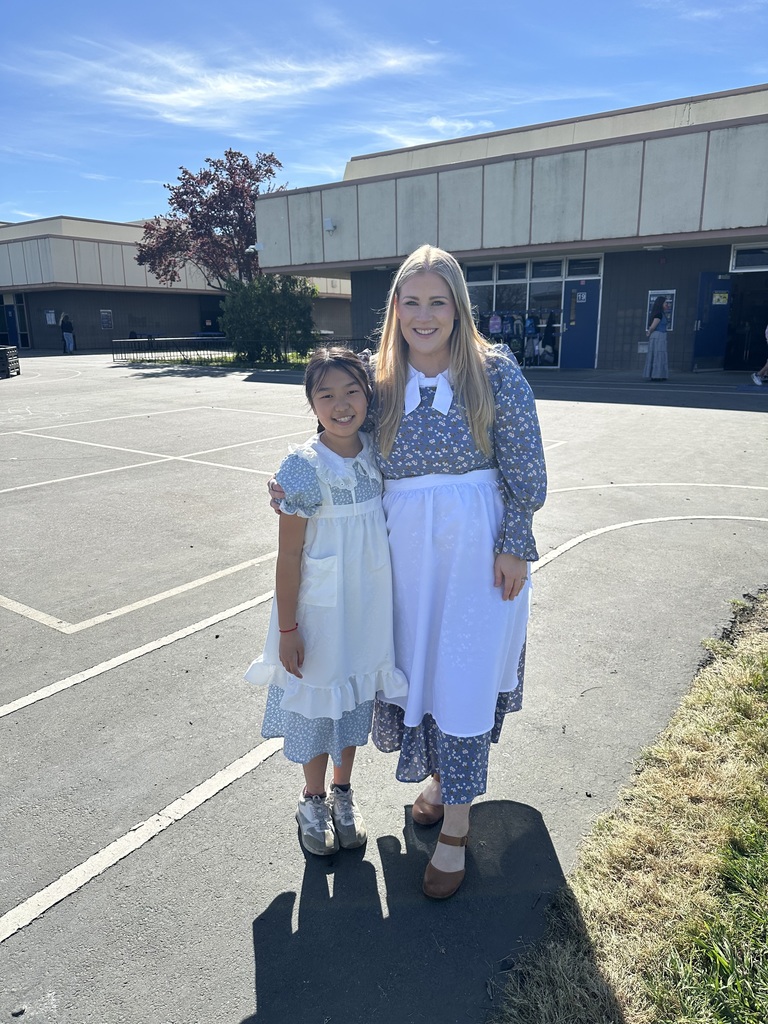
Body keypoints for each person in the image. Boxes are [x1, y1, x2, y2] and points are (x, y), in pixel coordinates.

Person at [270, 245, 547, 899]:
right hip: (400, 560)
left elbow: (526, 466)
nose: (424, 315)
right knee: (421, 676)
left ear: (458, 308)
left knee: (463, 679)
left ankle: (454, 833)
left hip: (476, 552)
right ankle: (442, 783)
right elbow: (335, 428)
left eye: (438, 301)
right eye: (411, 301)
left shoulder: (493, 371)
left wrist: (515, 541)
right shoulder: (379, 375)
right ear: (395, 307)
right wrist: (290, 477)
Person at [246, 347, 407, 858]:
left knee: (353, 700)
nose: (341, 404)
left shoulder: (378, 451)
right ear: (311, 404)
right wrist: (289, 629)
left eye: (352, 391)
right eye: (326, 395)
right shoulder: (301, 466)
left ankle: (343, 792)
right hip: (318, 613)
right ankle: (312, 798)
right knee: (318, 706)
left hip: (364, 612)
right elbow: (289, 555)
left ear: (368, 396)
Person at [643, 295, 669, 380]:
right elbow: (653, 326)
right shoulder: (659, 314)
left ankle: (659, 374)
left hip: (661, 335)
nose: (667, 304)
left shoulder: (661, 314)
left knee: (659, 355)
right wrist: (649, 331)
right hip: (658, 336)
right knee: (658, 355)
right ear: (661, 303)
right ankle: (656, 375)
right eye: (665, 302)